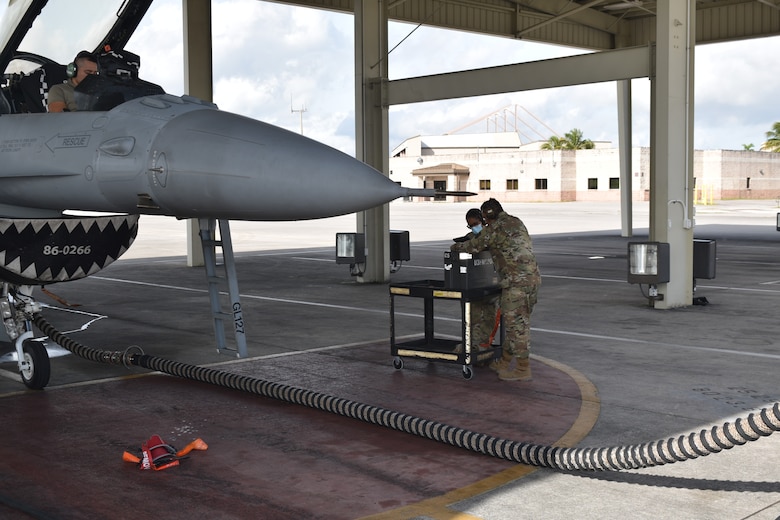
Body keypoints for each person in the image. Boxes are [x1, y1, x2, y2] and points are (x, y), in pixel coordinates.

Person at [450, 198, 541, 381]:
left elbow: (474, 246)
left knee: (517, 328)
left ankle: (523, 369)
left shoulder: (494, 228)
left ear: (486, 217)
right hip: (532, 280)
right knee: (515, 323)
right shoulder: (516, 221)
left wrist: (455, 247)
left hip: (516, 283)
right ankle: (505, 361)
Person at [453, 208, 500, 360]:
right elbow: (457, 248)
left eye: (476, 223)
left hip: (491, 284)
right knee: (471, 321)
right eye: (471, 225)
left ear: (484, 221)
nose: (474, 227)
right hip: (473, 284)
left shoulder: (494, 234)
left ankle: (480, 349)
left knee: (488, 319)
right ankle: (472, 349)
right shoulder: (471, 237)